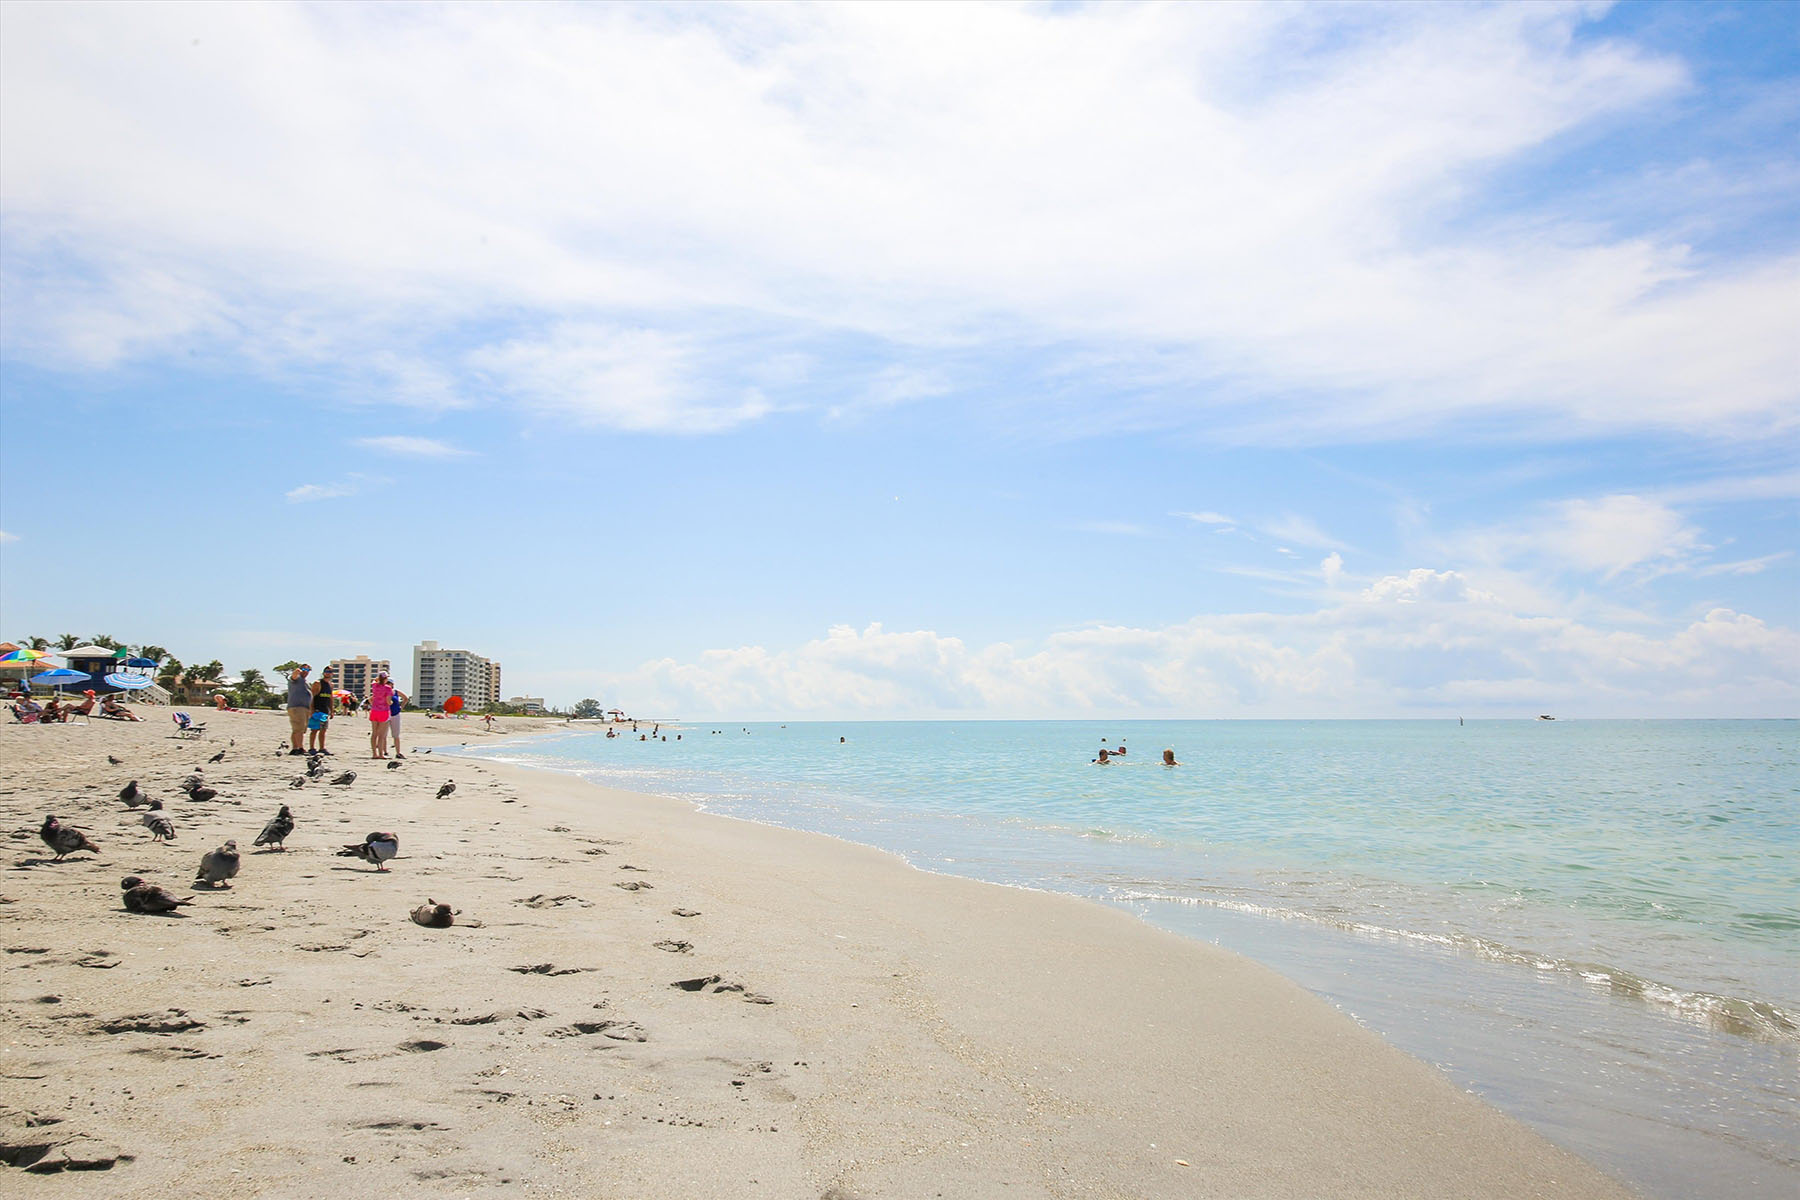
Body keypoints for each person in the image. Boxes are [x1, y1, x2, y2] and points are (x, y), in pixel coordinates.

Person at [285, 665, 312, 755]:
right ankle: (300, 748)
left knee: (298, 729)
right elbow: (294, 676)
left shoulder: (305, 682)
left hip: (304, 708)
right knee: (299, 728)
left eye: (308, 670)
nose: (306, 671)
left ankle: (295, 748)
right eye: (304, 669)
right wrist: (297, 671)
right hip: (297, 707)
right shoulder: (297, 679)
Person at [308, 667, 335, 754]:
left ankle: (322, 748)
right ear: (323, 673)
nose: (328, 673)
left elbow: (330, 698)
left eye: (330, 672)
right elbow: (312, 697)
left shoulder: (330, 685)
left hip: (325, 710)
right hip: (317, 709)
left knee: (323, 730)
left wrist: (332, 710)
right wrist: (311, 710)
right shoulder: (318, 683)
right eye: (327, 671)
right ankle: (312, 748)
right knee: (314, 730)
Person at [368, 671, 395, 759]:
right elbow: (388, 701)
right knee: (381, 735)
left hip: (374, 711)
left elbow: (374, 681)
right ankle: (380, 754)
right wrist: (391, 702)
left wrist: (378, 679)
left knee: (374, 733)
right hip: (383, 711)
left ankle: (374, 754)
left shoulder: (375, 686)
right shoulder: (388, 688)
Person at [388, 685, 408, 759]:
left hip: (395, 714)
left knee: (396, 735)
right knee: (383, 735)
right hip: (385, 713)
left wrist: (401, 707)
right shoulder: (383, 691)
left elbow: (405, 698)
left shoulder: (396, 692)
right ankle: (384, 752)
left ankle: (398, 753)